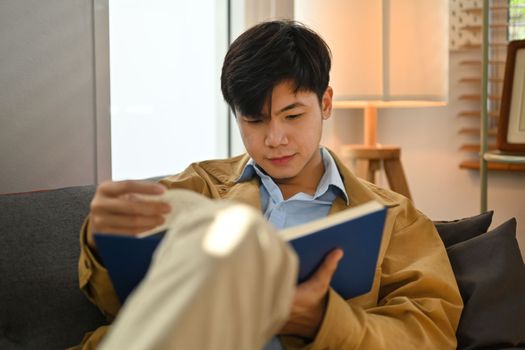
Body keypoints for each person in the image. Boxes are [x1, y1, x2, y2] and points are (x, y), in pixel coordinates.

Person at [74, 20, 463, 350]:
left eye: (292, 115)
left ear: (325, 103)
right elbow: (123, 308)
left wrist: (322, 321)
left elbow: (430, 332)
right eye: (255, 121)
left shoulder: (396, 219)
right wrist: (103, 242)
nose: (274, 138)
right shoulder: (197, 187)